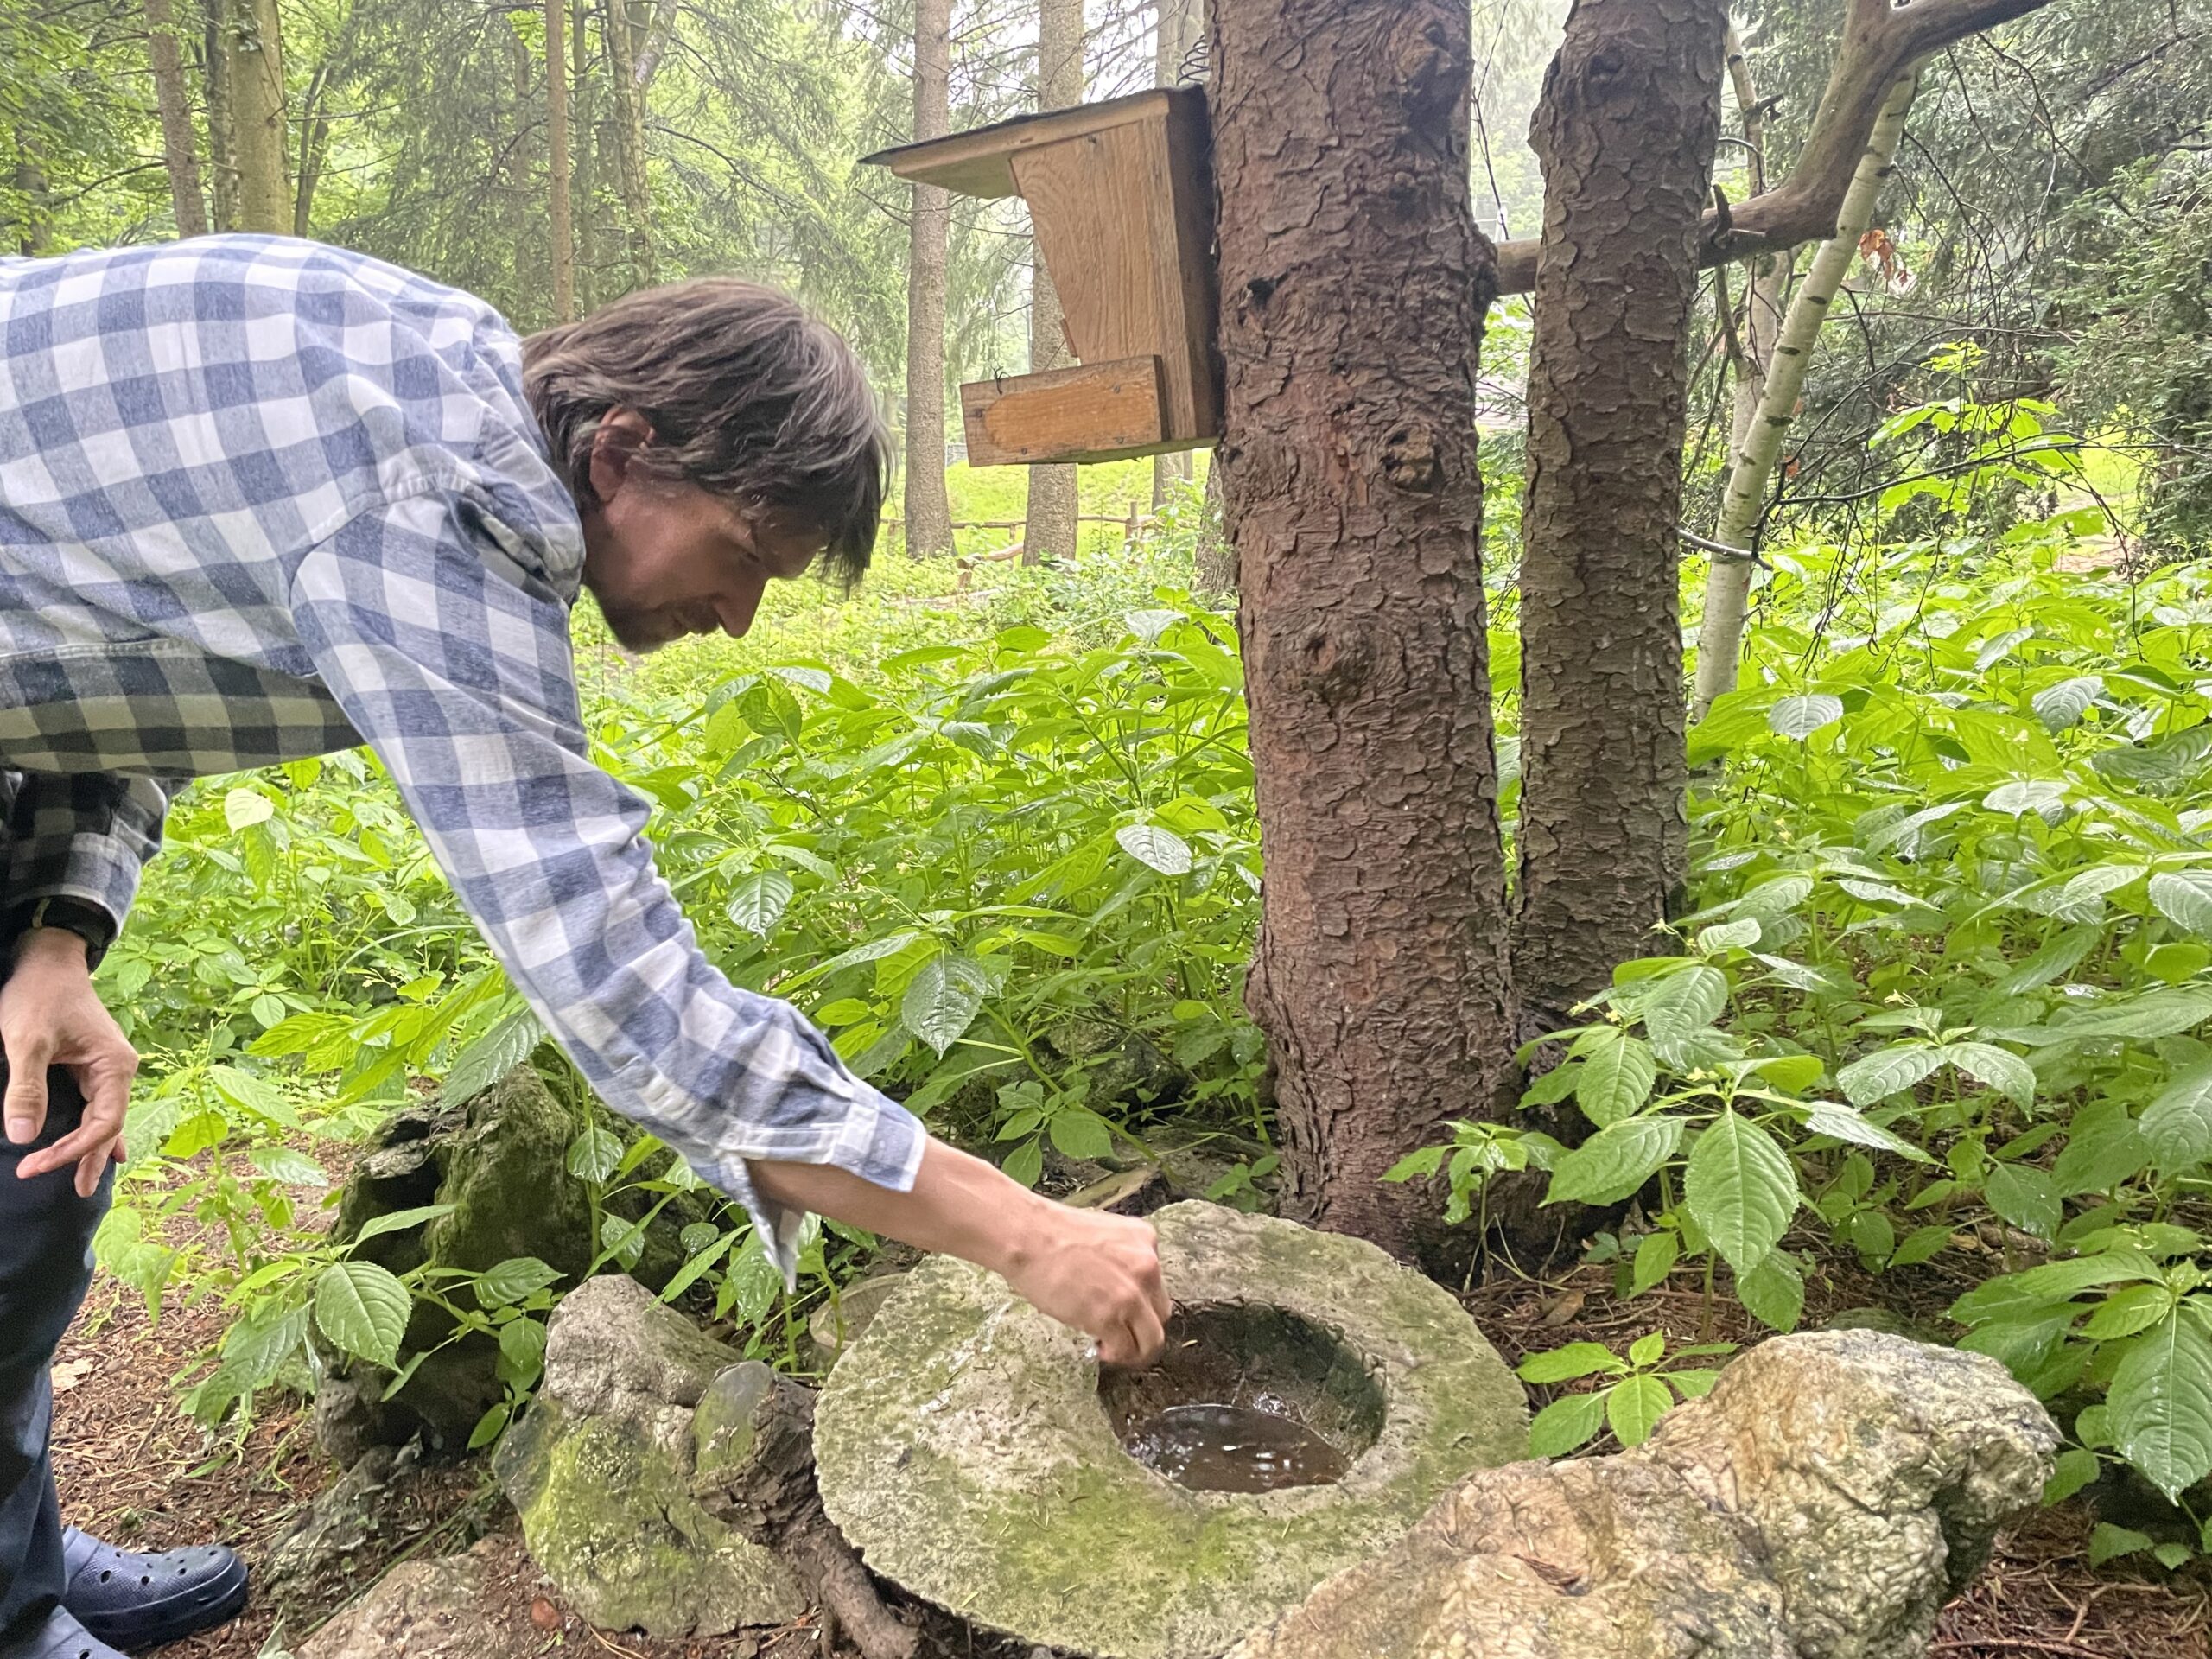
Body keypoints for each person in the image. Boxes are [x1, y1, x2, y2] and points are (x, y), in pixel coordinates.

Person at [0, 235, 1169, 1659]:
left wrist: (58, 929)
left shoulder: (448, 392)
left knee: (28, 1182)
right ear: (623, 450)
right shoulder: (439, 501)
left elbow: (103, 634)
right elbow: (615, 982)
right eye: (744, 558)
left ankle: (19, 1564)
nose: (736, 617)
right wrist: (1025, 1230)